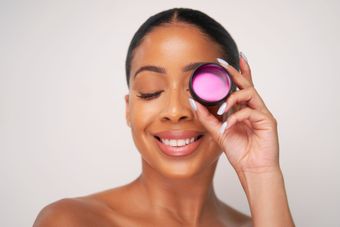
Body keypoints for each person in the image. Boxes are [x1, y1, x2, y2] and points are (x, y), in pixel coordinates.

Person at [34, 8, 294, 226]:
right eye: (151, 91)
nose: (175, 111)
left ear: (236, 100)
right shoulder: (72, 220)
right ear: (129, 109)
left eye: (201, 88)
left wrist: (260, 173)